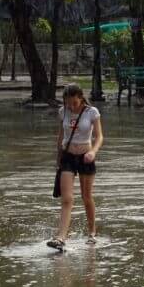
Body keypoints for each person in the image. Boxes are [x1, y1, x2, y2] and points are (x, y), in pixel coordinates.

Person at [48, 85, 104, 251]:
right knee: (67, 199)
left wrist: (93, 152)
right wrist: (58, 159)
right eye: (67, 103)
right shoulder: (62, 111)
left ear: (81, 97)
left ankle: (92, 232)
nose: (71, 107)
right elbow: (61, 136)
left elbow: (99, 136)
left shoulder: (91, 112)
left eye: (74, 102)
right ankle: (61, 237)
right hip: (68, 158)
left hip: (86, 158)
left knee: (86, 198)